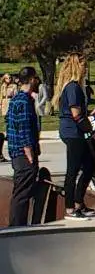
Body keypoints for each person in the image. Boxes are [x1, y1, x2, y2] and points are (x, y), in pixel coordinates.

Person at [54, 54, 95, 220]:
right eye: (84, 66)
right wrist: (90, 132)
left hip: (77, 131)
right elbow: (76, 114)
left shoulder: (78, 87)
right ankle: (70, 208)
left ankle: (79, 202)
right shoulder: (72, 87)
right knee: (73, 169)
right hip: (73, 132)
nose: (86, 69)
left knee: (89, 166)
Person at [6, 67, 41, 227]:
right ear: (32, 79)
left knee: (20, 190)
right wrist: (30, 154)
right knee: (23, 192)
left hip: (16, 152)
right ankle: (17, 225)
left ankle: (18, 223)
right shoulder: (24, 101)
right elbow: (24, 128)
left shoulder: (16, 99)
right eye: (36, 78)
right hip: (23, 154)